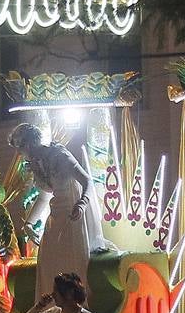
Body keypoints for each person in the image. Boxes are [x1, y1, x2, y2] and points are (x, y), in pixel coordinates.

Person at [8, 122, 109, 299]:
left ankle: (75, 303)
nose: (20, 153)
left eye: (20, 147)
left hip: (73, 214)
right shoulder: (37, 164)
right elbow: (44, 197)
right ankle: (51, 307)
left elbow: (87, 181)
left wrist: (82, 203)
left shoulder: (59, 155)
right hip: (55, 216)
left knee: (72, 260)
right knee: (47, 262)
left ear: (29, 144)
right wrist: (29, 223)